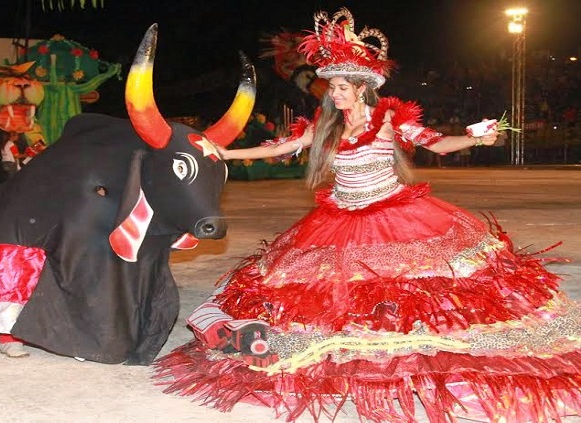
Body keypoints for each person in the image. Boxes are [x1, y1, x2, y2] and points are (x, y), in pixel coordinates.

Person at [154, 8, 581, 422]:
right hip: (340, 218)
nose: (334, 93)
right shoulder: (323, 126)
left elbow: (436, 144)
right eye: (332, 86)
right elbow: (277, 148)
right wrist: (225, 151)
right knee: (330, 294)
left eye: (341, 86)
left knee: (410, 291)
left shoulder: (389, 119)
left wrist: (476, 139)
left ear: (362, 87)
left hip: (396, 215)